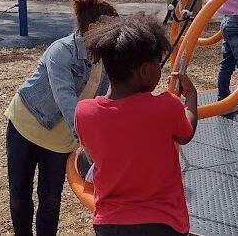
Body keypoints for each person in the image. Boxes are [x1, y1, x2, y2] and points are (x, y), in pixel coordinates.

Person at [4, 0, 118, 236]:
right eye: (110, 32)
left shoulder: (105, 59)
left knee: (50, 200)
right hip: (27, 125)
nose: (114, 38)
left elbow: (107, 101)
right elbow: (65, 99)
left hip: (61, 141)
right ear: (92, 29)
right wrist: (89, 142)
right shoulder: (61, 51)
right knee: (19, 196)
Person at [75, 13, 198, 236]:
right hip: (161, 221)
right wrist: (190, 99)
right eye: (157, 64)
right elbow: (185, 133)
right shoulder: (167, 106)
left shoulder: (85, 112)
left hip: (110, 223)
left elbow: (94, 151)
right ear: (143, 71)